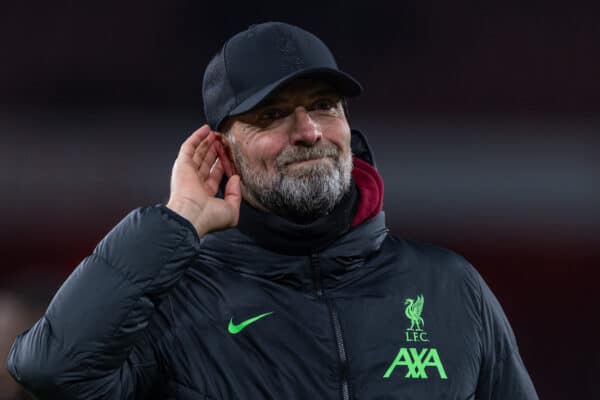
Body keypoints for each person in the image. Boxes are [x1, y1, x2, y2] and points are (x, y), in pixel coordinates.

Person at [6, 22, 538, 399]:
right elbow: (51, 370)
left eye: (325, 107)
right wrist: (175, 221)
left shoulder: (449, 286)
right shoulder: (177, 301)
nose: (308, 131)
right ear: (222, 149)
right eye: (273, 114)